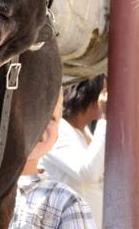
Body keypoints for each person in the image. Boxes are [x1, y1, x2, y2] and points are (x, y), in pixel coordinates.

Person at [10, 93, 96, 229]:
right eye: (30, 110)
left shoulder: (66, 202)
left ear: (56, 137)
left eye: (51, 117)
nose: (40, 123)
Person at [40, 75, 107, 228]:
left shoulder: (86, 133)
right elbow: (87, 173)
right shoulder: (58, 131)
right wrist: (105, 117)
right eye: (104, 91)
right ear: (90, 94)